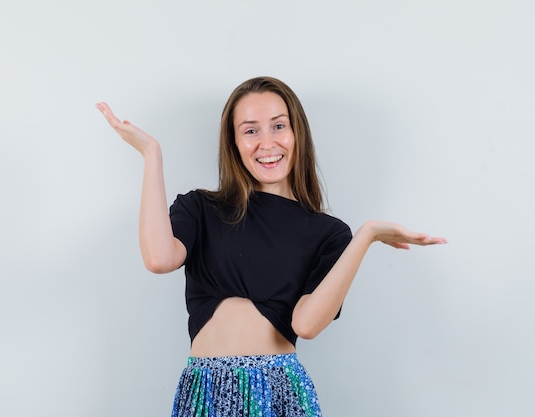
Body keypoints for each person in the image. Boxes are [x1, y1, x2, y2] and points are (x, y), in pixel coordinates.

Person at [96, 76, 446, 417]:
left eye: (278, 126)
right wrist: (151, 154)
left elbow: (307, 325)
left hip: (278, 391)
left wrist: (365, 236)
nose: (267, 142)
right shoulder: (201, 208)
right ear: (233, 142)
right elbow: (158, 258)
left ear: (297, 134)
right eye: (250, 130)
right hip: (205, 392)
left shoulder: (329, 234)